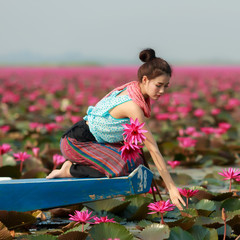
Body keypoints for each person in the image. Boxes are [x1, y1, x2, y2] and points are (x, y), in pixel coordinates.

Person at [46, 48, 185, 210]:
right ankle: (69, 169)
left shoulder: (132, 88)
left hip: (92, 142)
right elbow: (153, 149)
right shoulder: (133, 106)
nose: (162, 91)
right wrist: (172, 189)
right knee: (118, 169)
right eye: (158, 85)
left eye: (166, 86)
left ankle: (75, 167)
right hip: (76, 142)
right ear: (145, 80)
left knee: (134, 163)